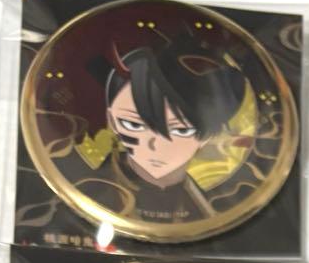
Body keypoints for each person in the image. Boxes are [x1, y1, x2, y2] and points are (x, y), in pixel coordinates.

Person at [72, 34, 247, 224]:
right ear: (112, 121)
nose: (154, 144)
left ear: (207, 136)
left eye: (181, 130)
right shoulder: (87, 196)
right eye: (134, 124)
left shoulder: (221, 206)